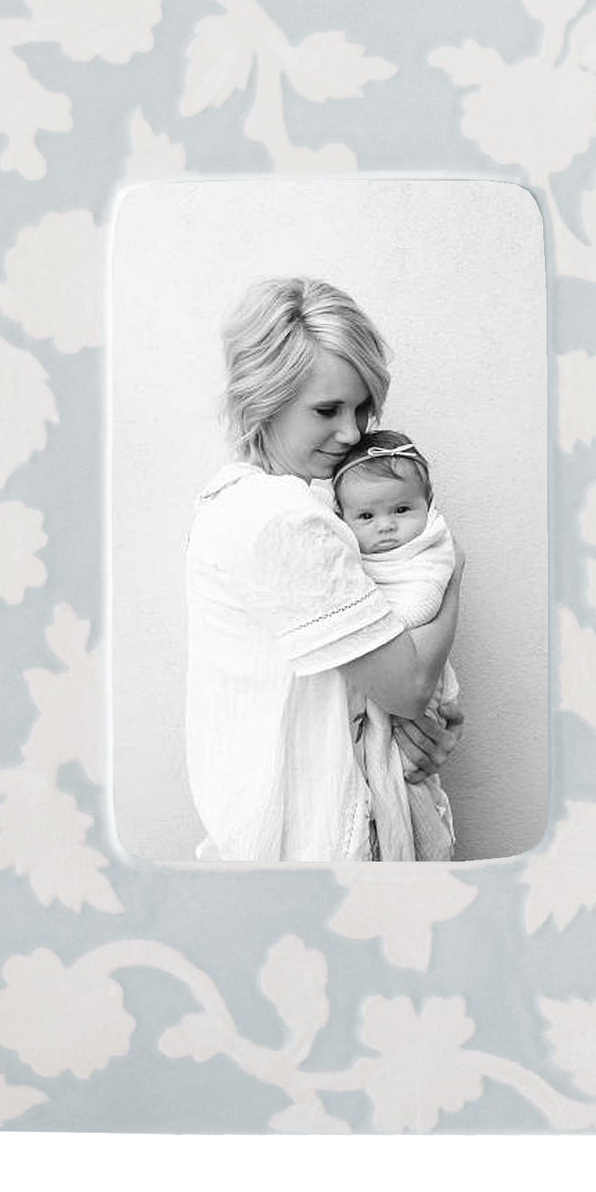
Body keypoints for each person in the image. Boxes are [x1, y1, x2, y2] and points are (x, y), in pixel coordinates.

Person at [185, 278, 464, 862]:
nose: (352, 433)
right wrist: (453, 569)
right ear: (264, 399)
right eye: (327, 410)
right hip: (311, 851)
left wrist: (419, 736)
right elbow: (408, 686)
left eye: (362, 408)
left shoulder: (270, 501)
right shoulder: (278, 517)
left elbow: (364, 685)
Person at [332, 430, 458, 861]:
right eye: (365, 516)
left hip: (410, 670)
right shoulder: (343, 552)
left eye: (401, 510)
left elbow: (423, 602)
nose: (385, 526)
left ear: (428, 505)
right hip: (379, 681)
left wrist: (375, 625)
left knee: (407, 770)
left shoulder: (431, 548)